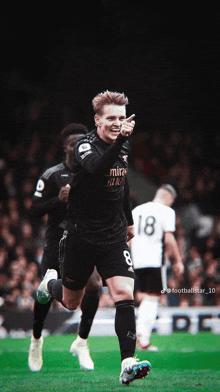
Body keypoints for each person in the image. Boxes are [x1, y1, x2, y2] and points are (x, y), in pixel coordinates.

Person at [37, 91, 151, 386]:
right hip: (81, 236)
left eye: (122, 118)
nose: (117, 123)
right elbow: (99, 170)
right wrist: (123, 140)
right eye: (111, 118)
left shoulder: (122, 148)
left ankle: (128, 362)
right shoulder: (84, 146)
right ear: (98, 120)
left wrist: (128, 222)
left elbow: (121, 185)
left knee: (124, 294)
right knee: (72, 303)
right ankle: (49, 284)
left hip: (112, 236)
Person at [28, 123, 102, 372]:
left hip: (83, 240)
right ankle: (36, 340)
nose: (80, 146)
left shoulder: (93, 173)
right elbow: (34, 211)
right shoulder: (51, 175)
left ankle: (82, 341)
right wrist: (57, 201)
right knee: (45, 296)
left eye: (84, 142)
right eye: (74, 143)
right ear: (66, 147)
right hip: (56, 241)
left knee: (94, 285)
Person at [130, 184, 184, 350]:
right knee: (153, 297)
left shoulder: (137, 210)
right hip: (154, 259)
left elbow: (129, 236)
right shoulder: (167, 211)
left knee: (144, 297)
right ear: (169, 198)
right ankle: (142, 338)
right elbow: (169, 238)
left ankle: (139, 336)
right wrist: (178, 261)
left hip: (136, 259)